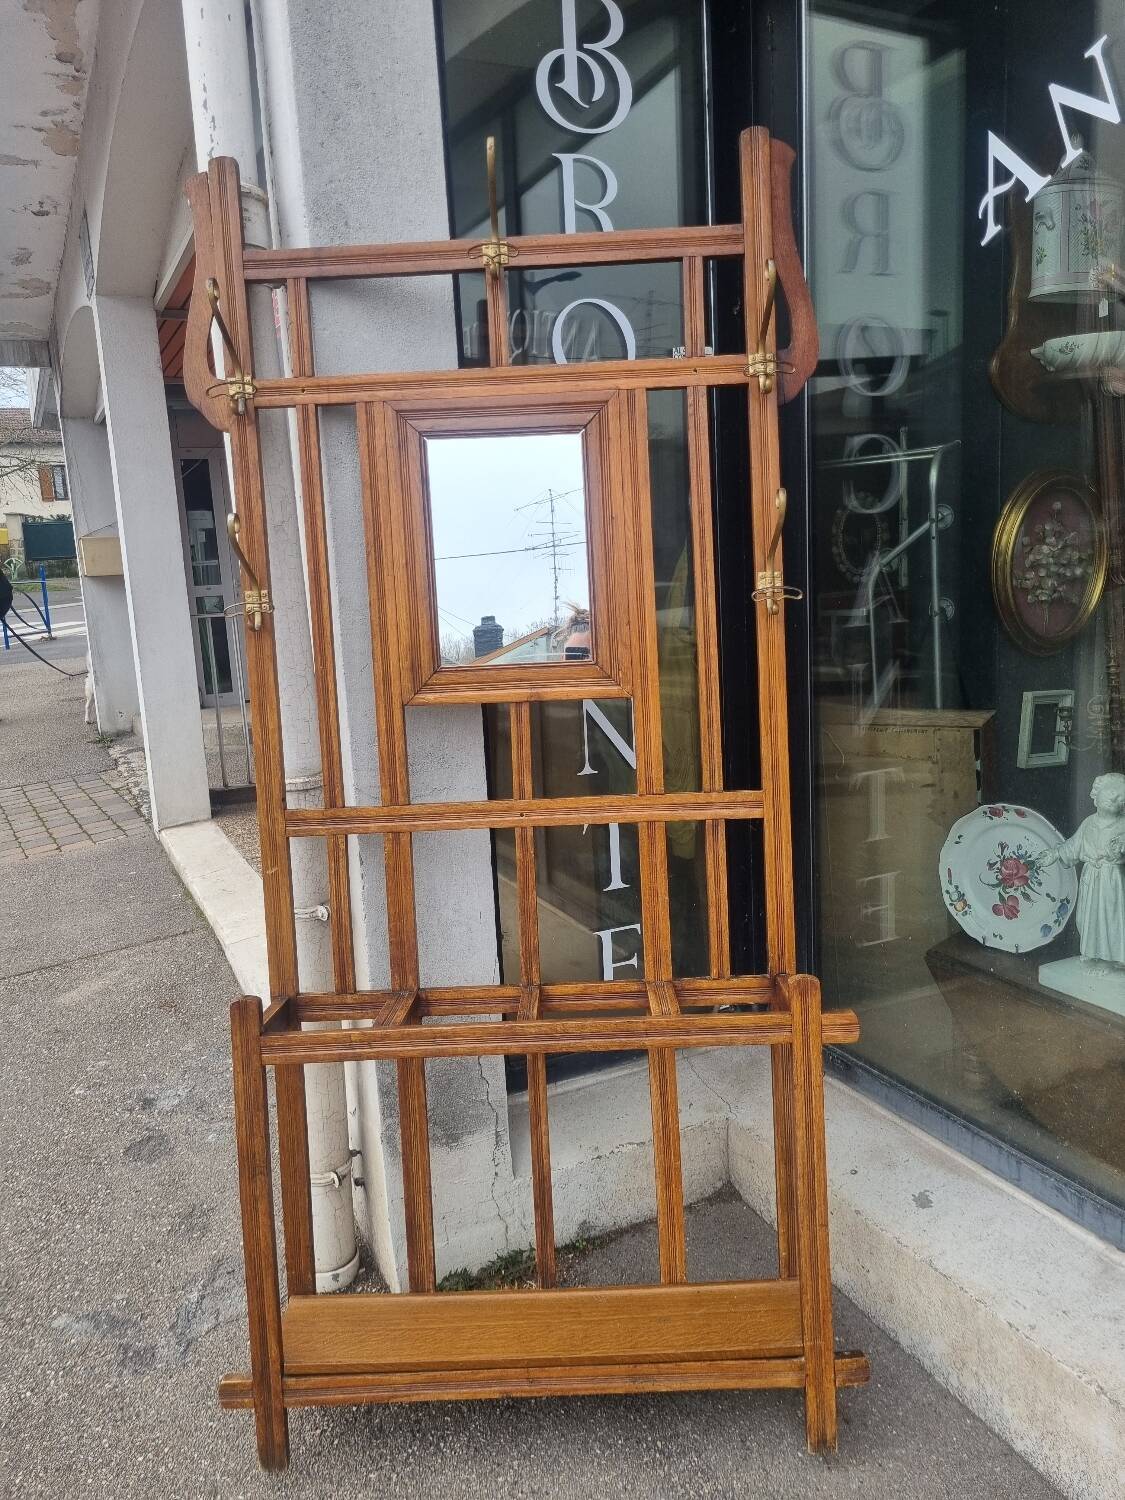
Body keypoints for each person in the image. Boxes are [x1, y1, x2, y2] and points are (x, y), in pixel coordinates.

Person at [1041, 772, 1125, 968]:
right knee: (1089, 916)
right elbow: (1073, 846)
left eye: (1121, 796)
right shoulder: (1088, 823)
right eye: (1111, 793)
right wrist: (1054, 854)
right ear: (1095, 795)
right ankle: (1093, 953)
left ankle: (1112, 957)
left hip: (1112, 880)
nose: (1116, 799)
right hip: (1091, 878)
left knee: (1112, 917)